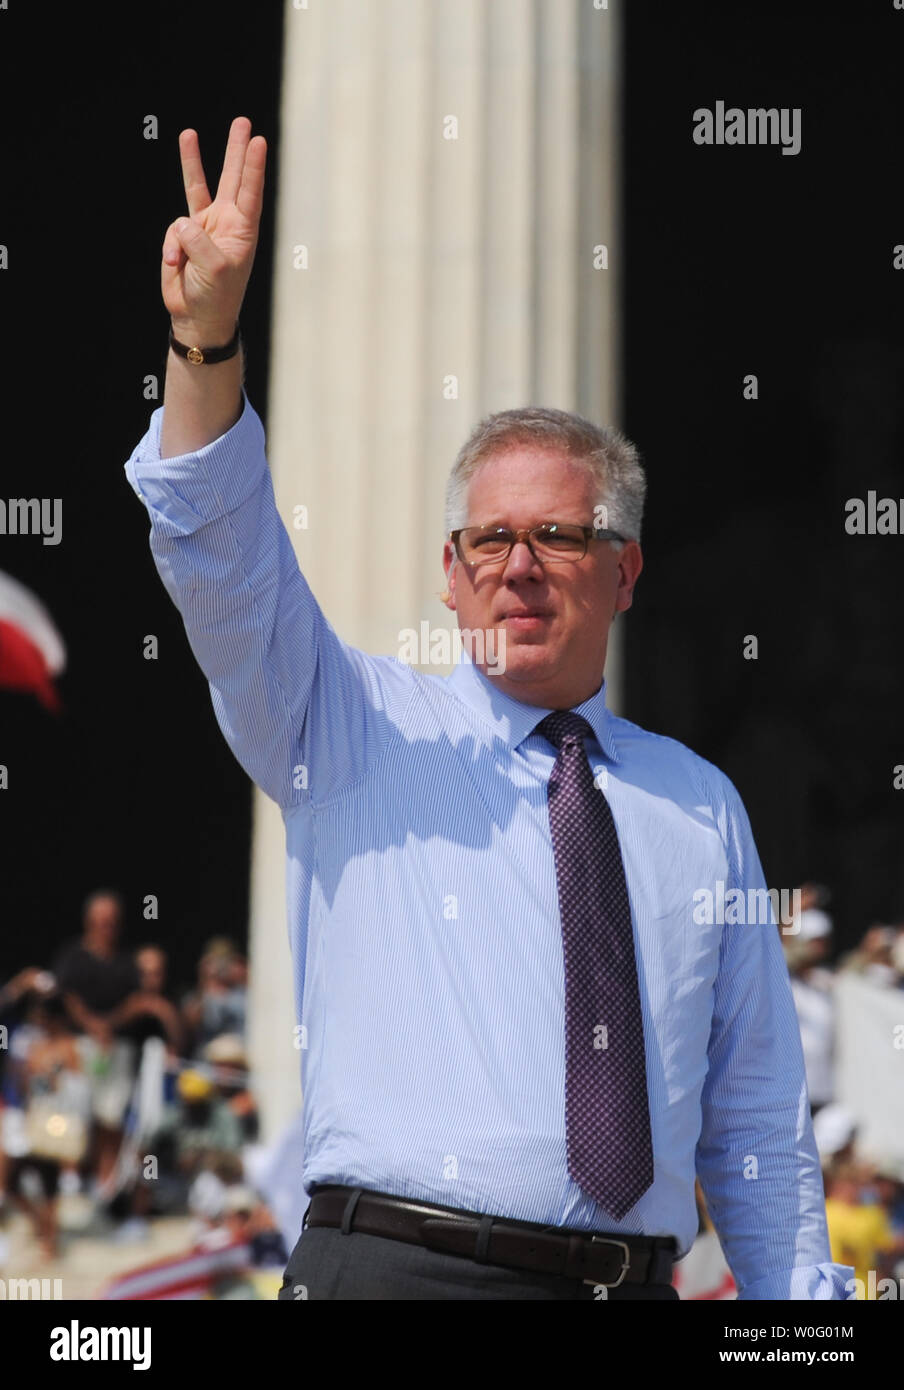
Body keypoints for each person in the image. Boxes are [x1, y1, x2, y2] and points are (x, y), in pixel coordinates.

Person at [123, 115, 853, 1301]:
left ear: (623, 570)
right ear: (448, 572)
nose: (518, 565)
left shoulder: (698, 804)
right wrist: (204, 342)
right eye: (489, 539)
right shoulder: (345, 724)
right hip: (395, 1272)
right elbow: (221, 551)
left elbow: (755, 1116)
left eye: (557, 537)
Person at [52, 889, 141, 1190]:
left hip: (116, 1048)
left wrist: (109, 1025)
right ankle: (70, 1176)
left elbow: (137, 1000)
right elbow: (65, 994)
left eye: (113, 922)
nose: (108, 927)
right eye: (102, 921)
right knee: (76, 1110)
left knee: (111, 1116)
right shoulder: (73, 955)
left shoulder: (127, 960)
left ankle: (105, 1182)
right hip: (80, 1046)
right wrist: (92, 1025)